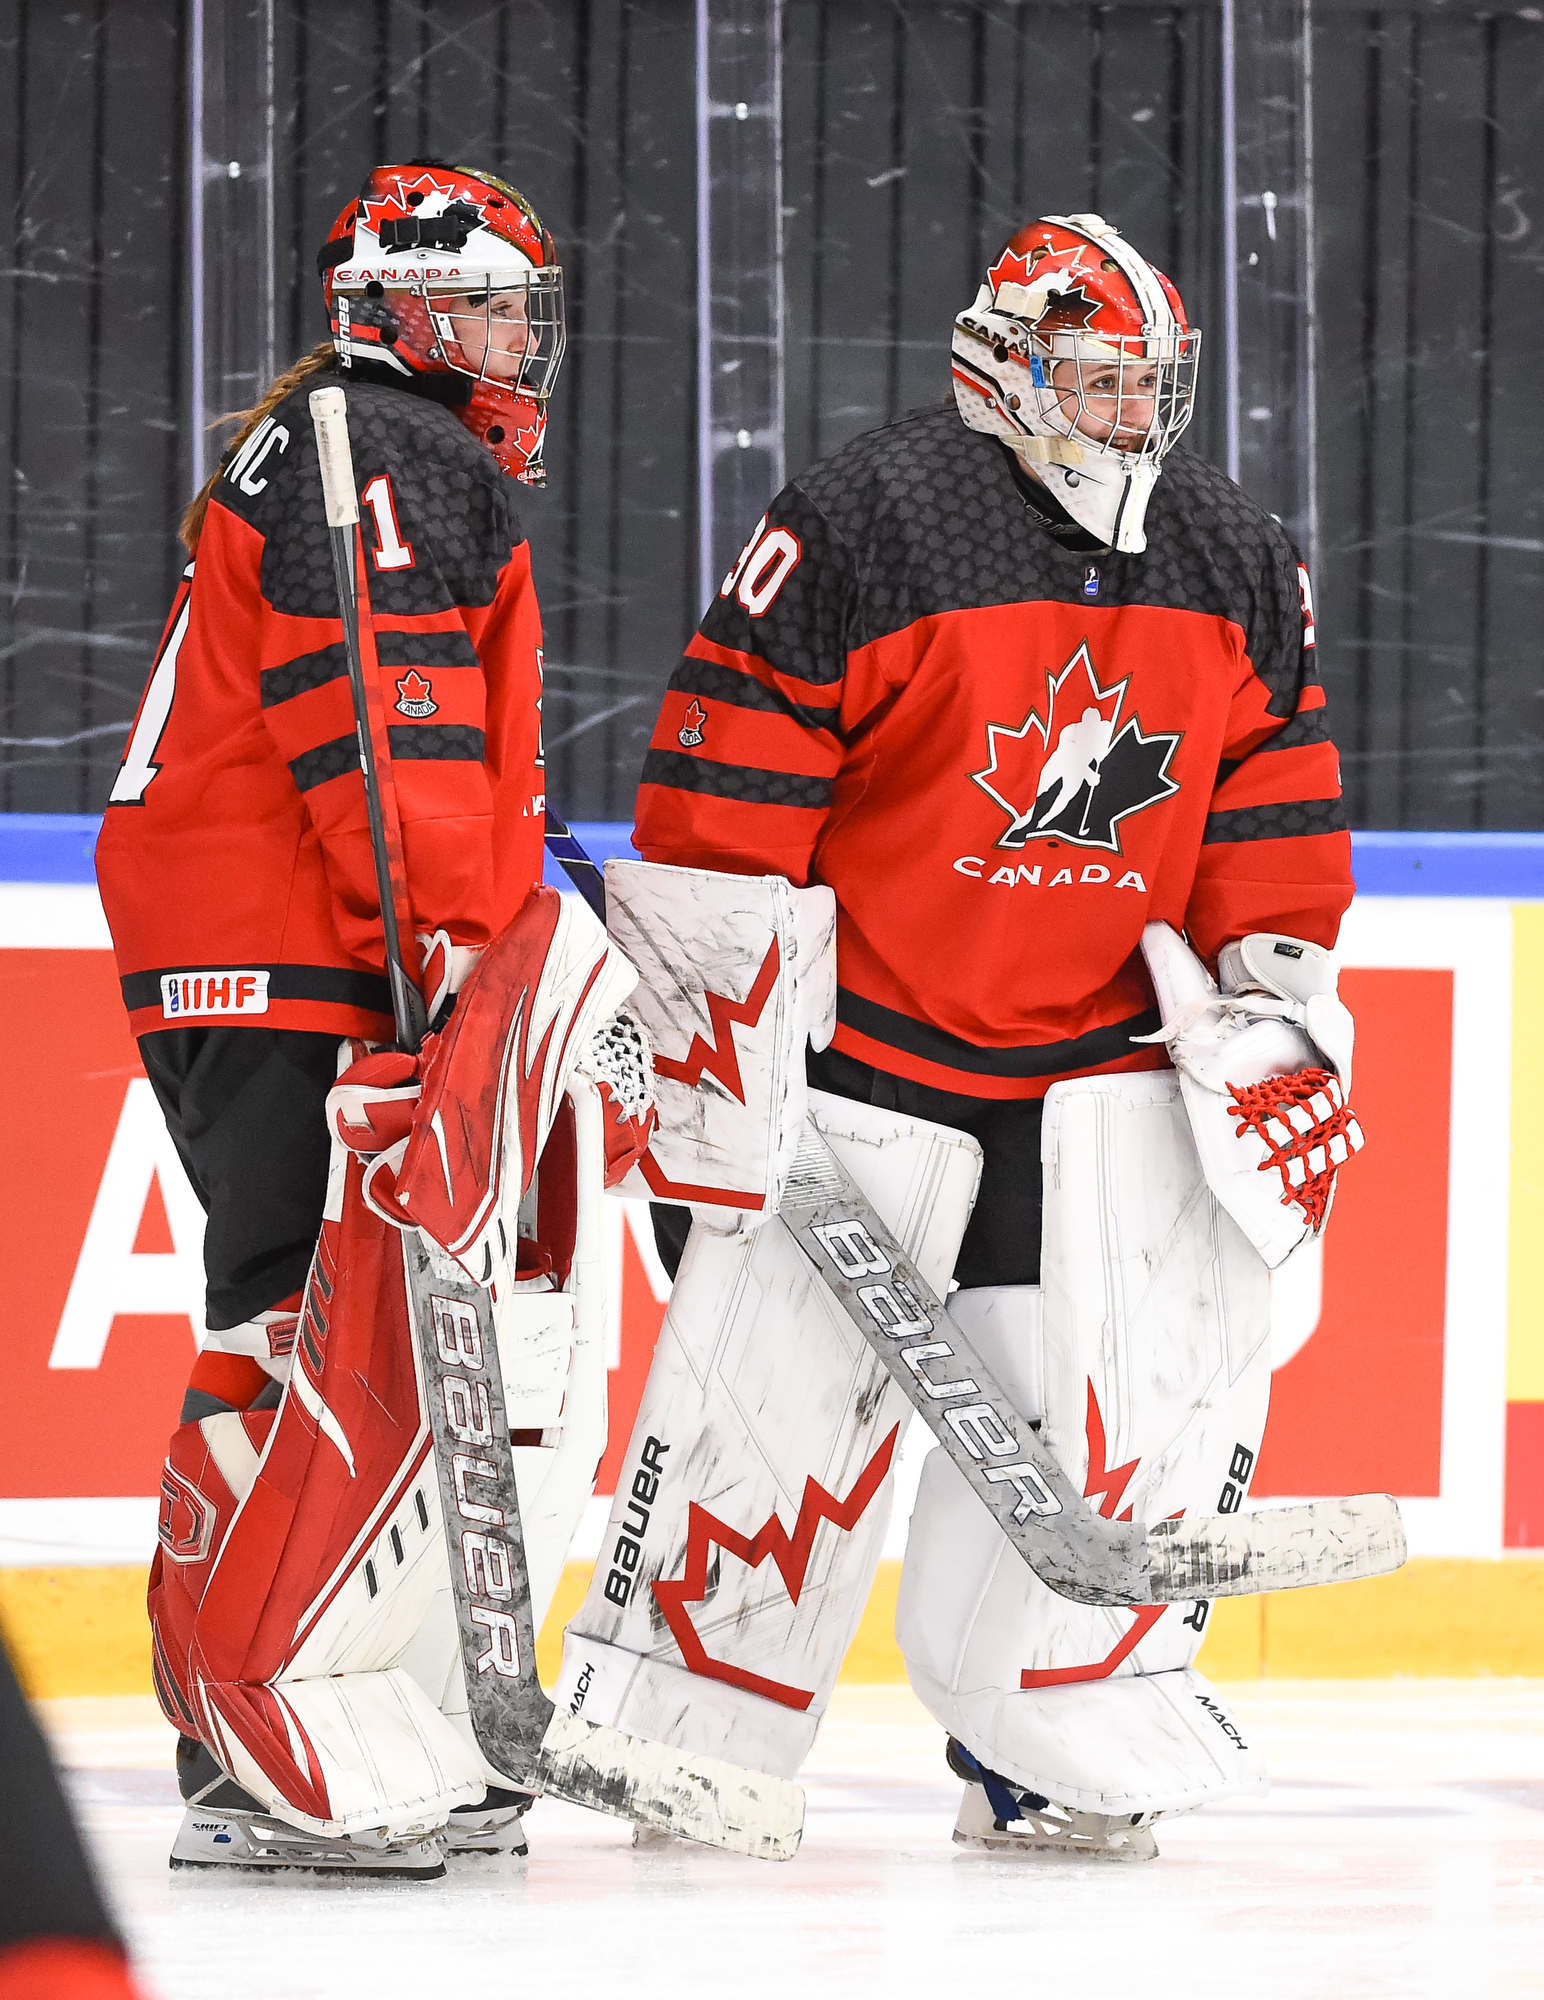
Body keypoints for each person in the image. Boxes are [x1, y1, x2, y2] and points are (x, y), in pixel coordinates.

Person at [555, 212, 1363, 1860]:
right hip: (860, 1077)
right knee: (761, 1442)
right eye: (1097, 377)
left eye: (1154, 384)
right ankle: (690, 1738)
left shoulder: (1227, 548)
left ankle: (1049, 1732)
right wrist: (709, 1045)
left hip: (1089, 1094)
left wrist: (1273, 1008)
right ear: (1006, 366)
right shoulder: (865, 517)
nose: (1133, 416)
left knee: (1099, 1440)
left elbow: (1271, 816)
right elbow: (724, 805)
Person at [95, 160, 618, 1874]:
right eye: (486, 308)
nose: (514, 343)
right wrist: (453, 947)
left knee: (302, 1320)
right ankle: (247, 1723)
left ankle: (289, 1705)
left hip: (256, 934)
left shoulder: (359, 440)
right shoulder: (382, 448)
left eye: (523, 313)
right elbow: (378, 725)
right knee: (302, 1326)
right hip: (301, 942)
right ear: (393, 310)